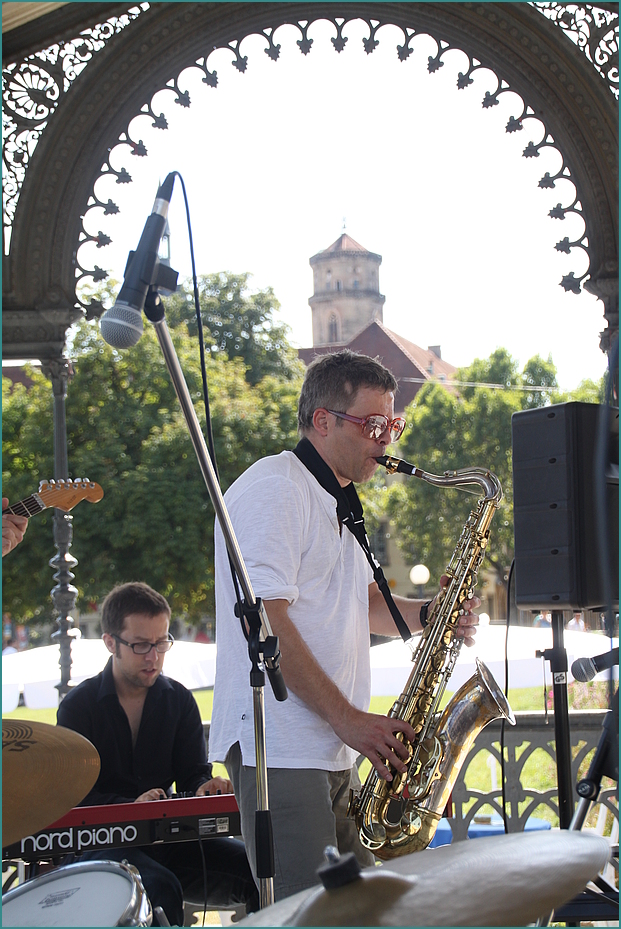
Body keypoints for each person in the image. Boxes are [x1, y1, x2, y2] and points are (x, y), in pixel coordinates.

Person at [209, 350, 480, 900]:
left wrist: (433, 613)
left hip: (326, 747)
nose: (386, 440)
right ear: (323, 421)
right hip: (280, 749)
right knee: (310, 913)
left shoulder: (336, 499)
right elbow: (265, 619)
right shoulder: (277, 486)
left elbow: (363, 605)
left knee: (364, 911)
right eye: (373, 425)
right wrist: (350, 720)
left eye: (392, 424)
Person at [57, 581, 259, 926]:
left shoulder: (178, 701)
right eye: (140, 645)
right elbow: (71, 797)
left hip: (169, 840)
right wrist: (128, 806)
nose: (154, 657)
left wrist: (203, 787)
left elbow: (194, 772)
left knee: (259, 871)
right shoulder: (79, 707)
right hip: (100, 845)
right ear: (110, 642)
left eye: (161, 642)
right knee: (157, 884)